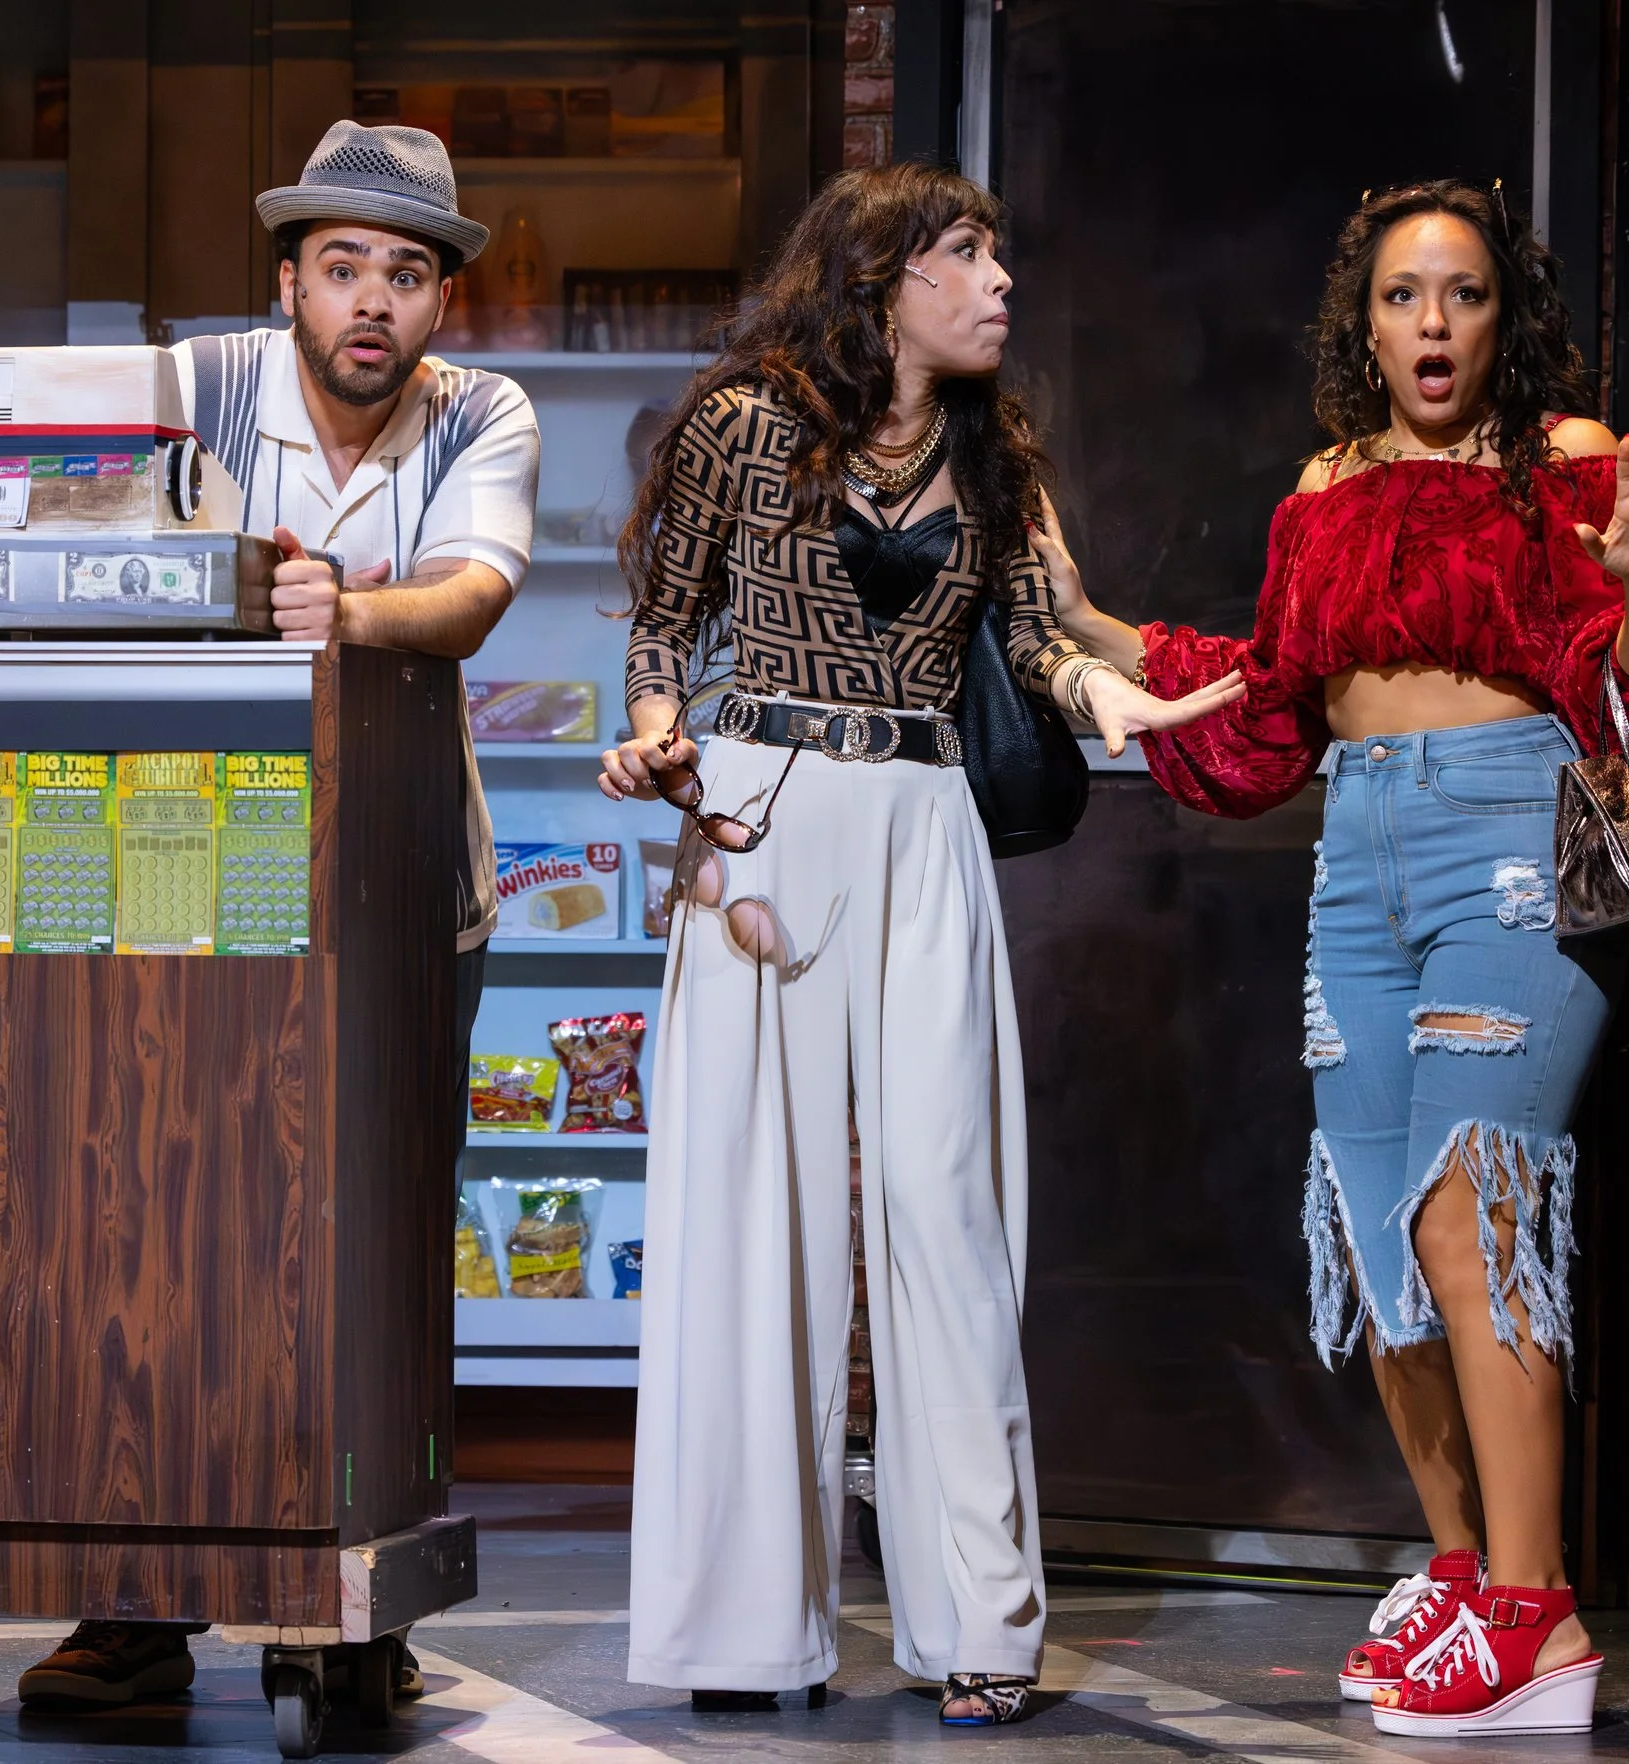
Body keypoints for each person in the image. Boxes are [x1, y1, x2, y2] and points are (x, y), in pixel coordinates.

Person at [1042, 180, 1629, 1738]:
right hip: (1357, 859)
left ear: (1505, 317)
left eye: (1465, 294)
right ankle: (1467, 1572)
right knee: (1378, 1233)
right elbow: (1278, 703)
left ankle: (1540, 1621)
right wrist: (1096, 622)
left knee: (1471, 1211)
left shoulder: (1569, 467)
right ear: (1365, 322)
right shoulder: (1327, 482)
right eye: (1406, 296)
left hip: (1510, 844)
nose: (1435, 322)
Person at [598, 161, 1241, 1726]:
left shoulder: (994, 451)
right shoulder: (741, 426)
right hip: (762, 809)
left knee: (953, 1210)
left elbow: (1032, 637)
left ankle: (982, 1628)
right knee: (754, 1213)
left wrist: (1127, 708)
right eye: (968, 253)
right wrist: (655, 736)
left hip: (924, 815)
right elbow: (662, 626)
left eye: (1001, 253)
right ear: (885, 279)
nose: (1001, 281)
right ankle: (746, 1630)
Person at [14, 119, 539, 1709]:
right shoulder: (198, 387)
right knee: (149, 1225)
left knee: (379, 1246)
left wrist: (348, 607)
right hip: (185, 891)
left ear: (443, 299)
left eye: (406, 271)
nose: (372, 300)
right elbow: (63, 535)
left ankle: (357, 1618)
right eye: (342, 267)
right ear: (288, 281)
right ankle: (139, 1608)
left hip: (405, 894)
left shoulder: (482, 411)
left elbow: (477, 591)